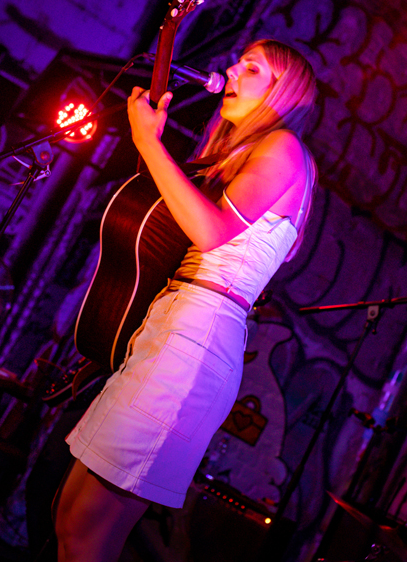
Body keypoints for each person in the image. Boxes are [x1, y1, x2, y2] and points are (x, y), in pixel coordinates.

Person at [52, 39, 318, 561]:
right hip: (173, 329)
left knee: (87, 535)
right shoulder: (248, 153)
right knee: (70, 521)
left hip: (193, 342)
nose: (231, 71)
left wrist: (148, 143)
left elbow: (212, 232)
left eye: (251, 68)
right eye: (237, 60)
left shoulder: (285, 148)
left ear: (282, 91)